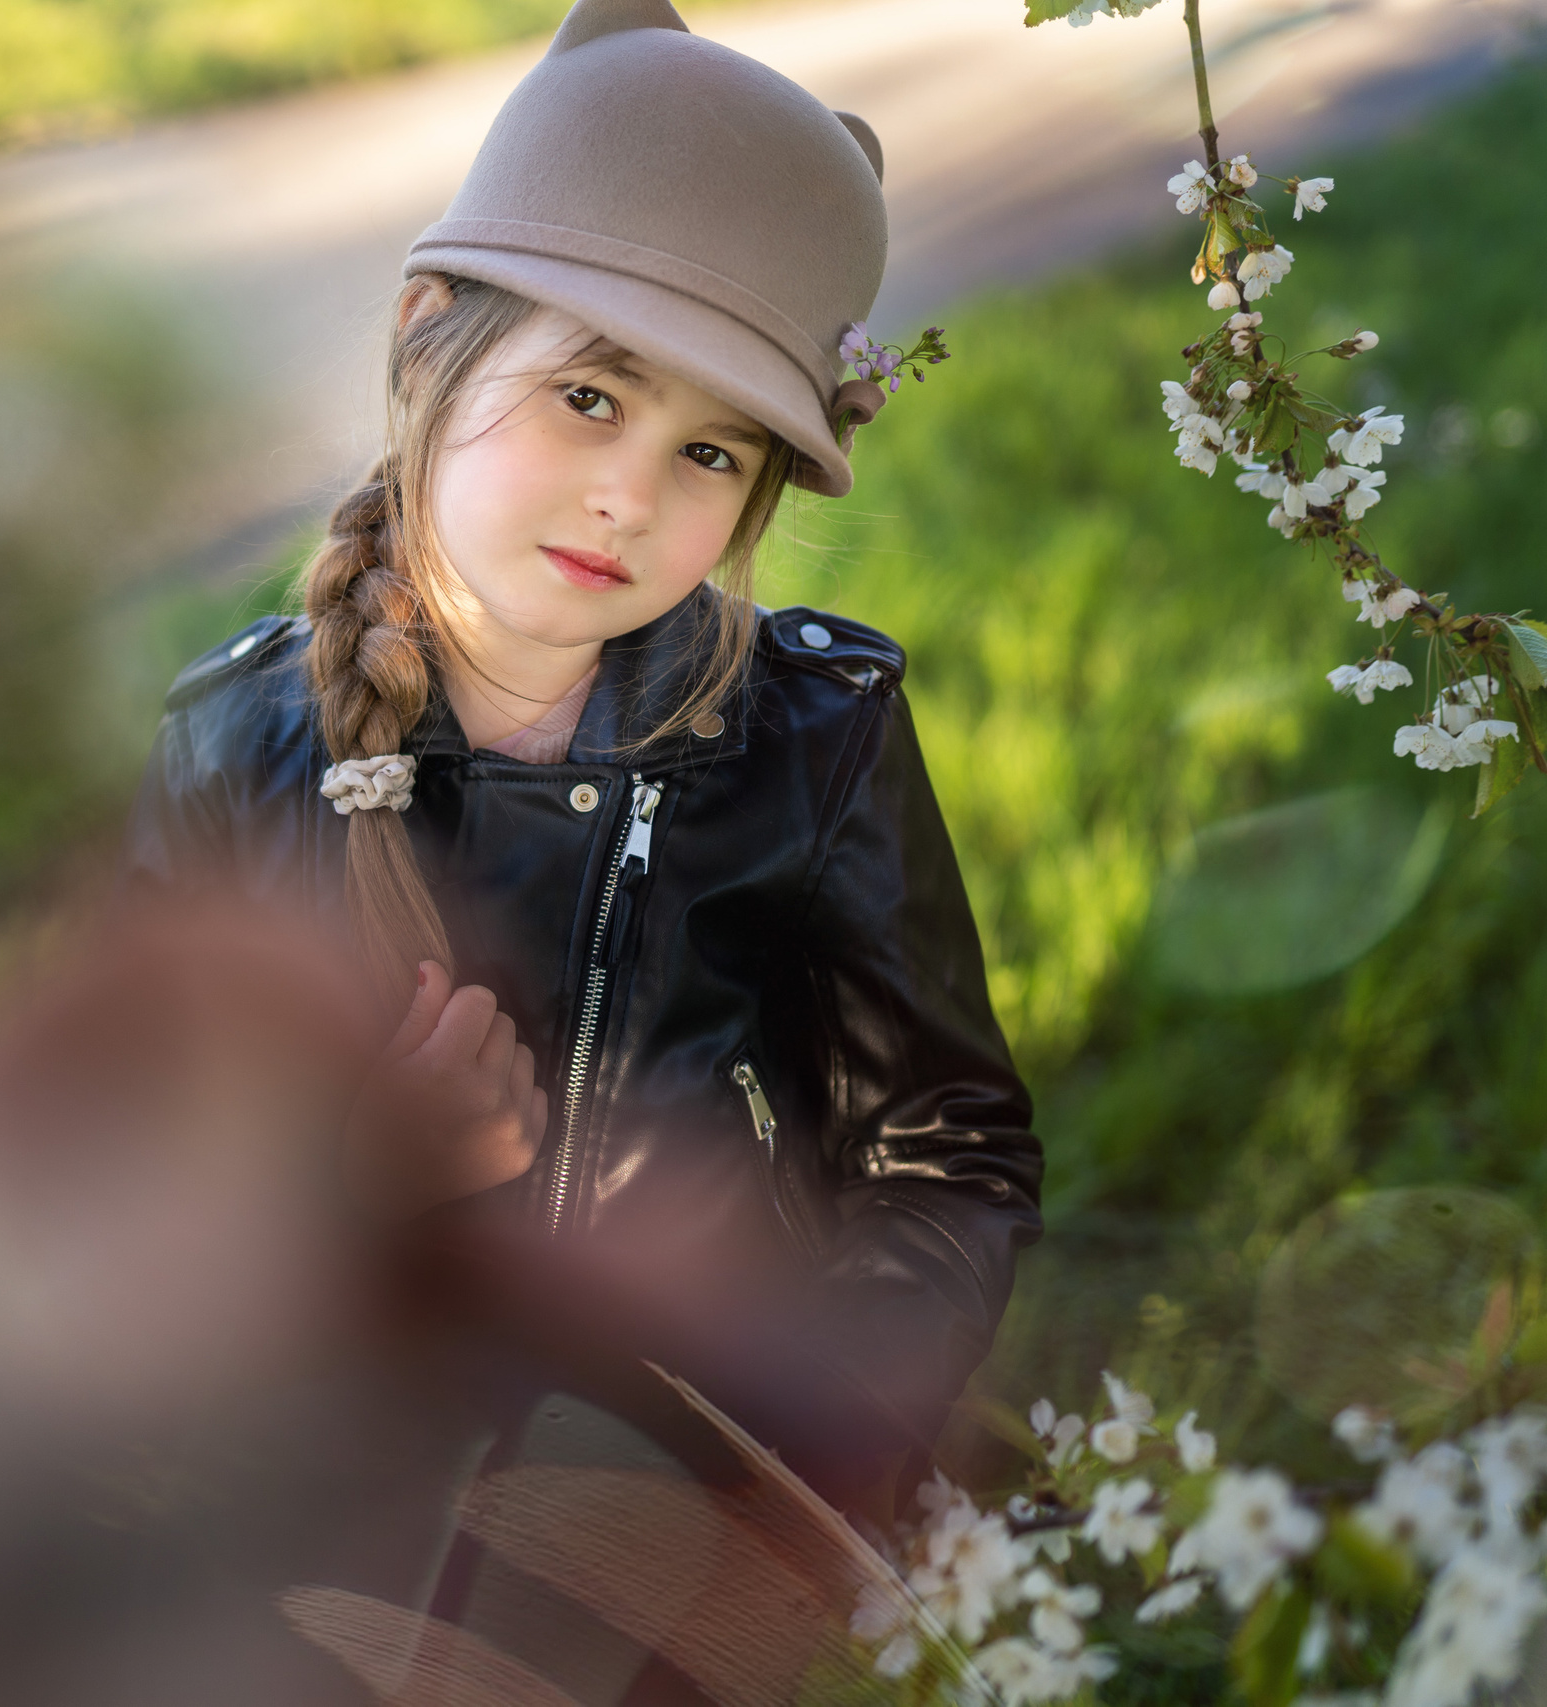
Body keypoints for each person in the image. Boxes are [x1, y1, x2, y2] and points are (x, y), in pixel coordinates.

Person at [126, 0, 1040, 1532]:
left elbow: (939, 1147)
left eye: (711, 451)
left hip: (706, 1488)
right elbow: (136, 1226)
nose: (628, 497)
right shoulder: (231, 753)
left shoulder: (810, 738)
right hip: (339, 1529)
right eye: (591, 396)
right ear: (430, 332)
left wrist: (825, 1446)